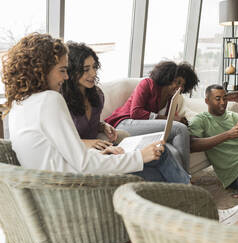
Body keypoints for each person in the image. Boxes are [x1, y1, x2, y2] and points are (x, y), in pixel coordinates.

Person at [2, 33, 190, 184]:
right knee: (161, 166)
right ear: (41, 69)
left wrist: (99, 153)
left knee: (158, 163)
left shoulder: (19, 105)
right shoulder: (49, 100)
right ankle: (192, 203)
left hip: (60, 186)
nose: (66, 77)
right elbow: (83, 165)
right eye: (62, 70)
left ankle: (185, 201)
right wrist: (139, 156)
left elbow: (60, 155)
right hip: (82, 187)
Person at [105, 61, 199, 171]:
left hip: (147, 131)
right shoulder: (147, 84)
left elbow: (169, 123)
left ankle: (180, 181)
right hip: (124, 124)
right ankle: (187, 177)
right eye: (177, 82)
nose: (180, 87)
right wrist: (171, 120)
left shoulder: (171, 99)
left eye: (182, 85)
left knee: (173, 152)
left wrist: (179, 120)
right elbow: (136, 112)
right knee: (179, 128)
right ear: (168, 78)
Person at [61, 41, 129, 150]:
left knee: (125, 136)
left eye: (94, 67)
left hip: (95, 145)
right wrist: (84, 143)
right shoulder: (60, 100)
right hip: (73, 150)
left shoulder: (97, 95)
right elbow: (58, 138)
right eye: (86, 69)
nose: (93, 73)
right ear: (71, 71)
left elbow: (89, 126)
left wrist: (103, 126)